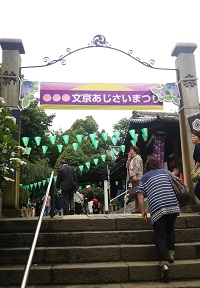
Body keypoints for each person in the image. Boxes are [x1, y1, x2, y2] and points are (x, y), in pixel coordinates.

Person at [137, 157, 180, 283]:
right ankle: (171, 253)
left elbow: (140, 193)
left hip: (158, 206)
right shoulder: (165, 172)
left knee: (160, 235)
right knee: (170, 228)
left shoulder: (144, 177)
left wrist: (143, 210)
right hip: (173, 204)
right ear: (157, 165)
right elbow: (177, 181)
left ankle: (164, 264)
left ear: (147, 167)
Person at [126, 146, 143, 212]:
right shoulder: (132, 159)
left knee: (138, 191)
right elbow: (127, 167)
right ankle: (137, 207)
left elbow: (137, 167)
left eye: (131, 150)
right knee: (134, 192)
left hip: (137, 177)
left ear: (135, 151)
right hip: (131, 177)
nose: (130, 152)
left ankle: (139, 208)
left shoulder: (137, 158)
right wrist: (128, 159)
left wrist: (134, 175)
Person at [191, 131, 200, 200]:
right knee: (197, 190)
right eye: (191, 136)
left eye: (194, 136)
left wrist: (194, 169)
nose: (192, 138)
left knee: (196, 191)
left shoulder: (198, 145)